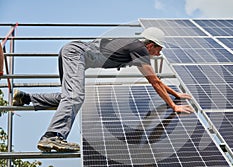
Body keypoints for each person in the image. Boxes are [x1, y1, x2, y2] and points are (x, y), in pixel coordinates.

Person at [12, 27, 194, 152]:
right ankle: (53, 136)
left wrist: (176, 94)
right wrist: (174, 106)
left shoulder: (136, 48)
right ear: (150, 45)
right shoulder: (140, 49)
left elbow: (156, 81)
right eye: (158, 49)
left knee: (69, 96)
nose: (159, 53)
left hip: (74, 52)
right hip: (77, 53)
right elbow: (154, 82)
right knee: (75, 97)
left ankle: (26, 98)